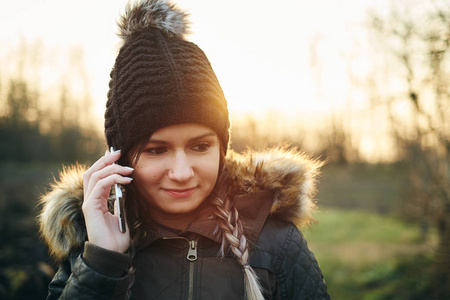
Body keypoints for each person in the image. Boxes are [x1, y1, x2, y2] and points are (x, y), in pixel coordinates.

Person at [38, 0, 330, 299]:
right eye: (156, 150)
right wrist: (102, 264)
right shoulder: (91, 249)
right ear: (119, 157)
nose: (181, 172)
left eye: (200, 146)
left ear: (222, 148)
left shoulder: (276, 244)